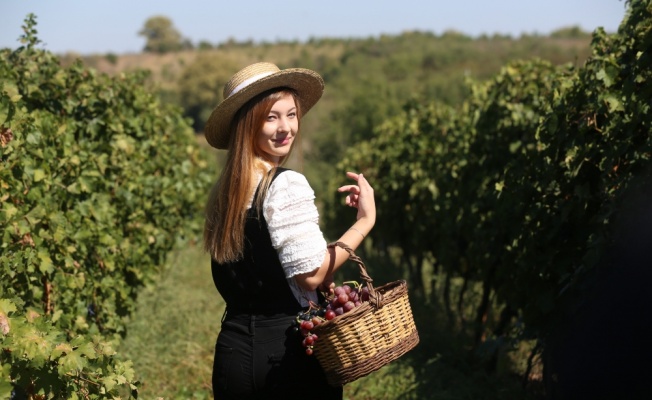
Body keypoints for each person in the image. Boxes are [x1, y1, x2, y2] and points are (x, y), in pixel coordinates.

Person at [202, 62, 376, 399]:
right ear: (248, 123)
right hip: (287, 360)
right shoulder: (286, 184)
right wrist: (364, 222)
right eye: (271, 117)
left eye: (292, 114)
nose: (286, 128)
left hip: (234, 354)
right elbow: (310, 275)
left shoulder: (226, 190)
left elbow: (267, 264)